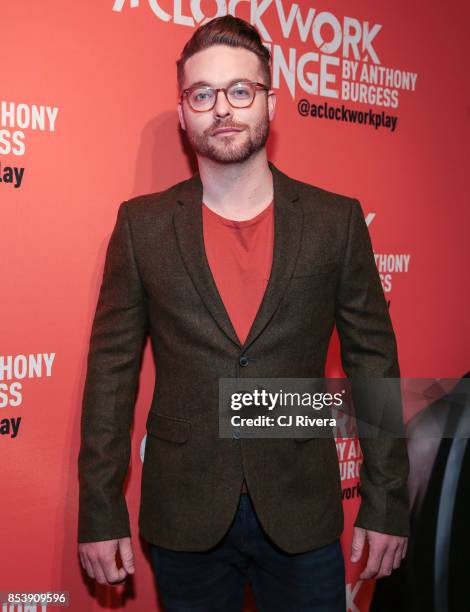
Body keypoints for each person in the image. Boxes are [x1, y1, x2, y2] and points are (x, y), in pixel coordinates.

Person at [78, 15, 410, 611]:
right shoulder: (142, 226)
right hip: (184, 512)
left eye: (240, 90)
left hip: (302, 508)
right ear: (183, 112)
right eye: (202, 94)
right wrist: (100, 508)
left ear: (269, 103)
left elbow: (374, 367)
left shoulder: (336, 221)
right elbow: (111, 375)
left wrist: (387, 500)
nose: (222, 109)